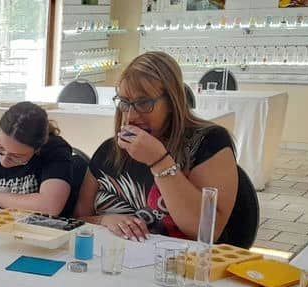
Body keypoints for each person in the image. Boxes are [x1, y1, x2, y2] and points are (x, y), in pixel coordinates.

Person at [73, 51, 239, 243]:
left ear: (172, 102)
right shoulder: (109, 151)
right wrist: (104, 220)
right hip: (113, 256)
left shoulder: (208, 143)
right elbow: (78, 220)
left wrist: (159, 161)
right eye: (125, 103)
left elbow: (206, 231)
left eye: (144, 103)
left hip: (183, 259)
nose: (131, 116)